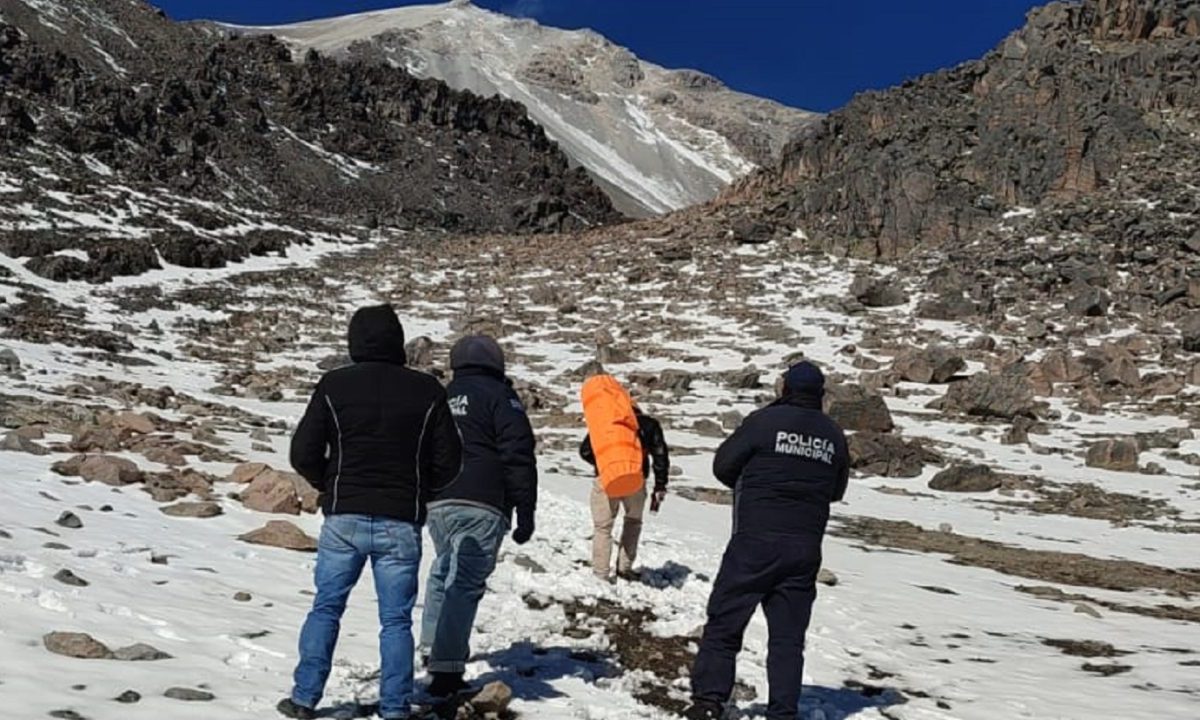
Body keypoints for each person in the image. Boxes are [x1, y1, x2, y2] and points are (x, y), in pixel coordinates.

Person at [278, 304, 463, 720]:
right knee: (395, 621)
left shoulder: (334, 385)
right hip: (400, 519)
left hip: (344, 516)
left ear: (354, 340)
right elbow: (450, 462)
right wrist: (419, 491)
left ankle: (305, 698)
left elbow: (302, 452)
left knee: (326, 606)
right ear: (396, 341)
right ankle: (395, 708)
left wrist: (330, 484)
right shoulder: (428, 391)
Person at [687, 361, 849, 720]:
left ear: (785, 389)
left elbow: (723, 465)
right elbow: (836, 490)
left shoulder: (763, 423)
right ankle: (783, 712)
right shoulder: (833, 435)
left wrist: (759, 484)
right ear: (820, 394)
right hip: (804, 547)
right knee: (788, 640)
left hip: (755, 541)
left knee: (725, 624)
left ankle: (709, 702)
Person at [420, 335, 538, 698]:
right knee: (465, 582)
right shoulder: (501, 398)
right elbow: (518, 453)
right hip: (482, 499)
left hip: (439, 499)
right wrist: (525, 511)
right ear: (496, 363)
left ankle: (431, 647)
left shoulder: (442, 396)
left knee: (443, 569)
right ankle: (446, 668)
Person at [580, 404, 670, 581]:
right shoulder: (649, 424)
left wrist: (604, 465)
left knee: (603, 527)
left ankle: (600, 573)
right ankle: (624, 568)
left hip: (606, 479)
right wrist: (660, 484)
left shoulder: (606, 422)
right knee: (633, 522)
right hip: (636, 479)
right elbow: (660, 455)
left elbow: (585, 451)